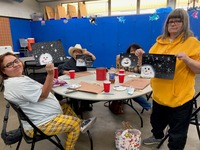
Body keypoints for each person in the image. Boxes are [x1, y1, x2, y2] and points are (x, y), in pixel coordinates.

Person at [0, 52, 97, 150]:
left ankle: (81, 124)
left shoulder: (16, 79)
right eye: (9, 65)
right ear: (3, 71)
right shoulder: (17, 84)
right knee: (75, 124)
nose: (16, 64)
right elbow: (43, 95)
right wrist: (50, 74)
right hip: (39, 124)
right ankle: (71, 144)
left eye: (16, 61)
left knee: (65, 106)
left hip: (39, 116)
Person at [135, 8, 200, 150]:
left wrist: (188, 60)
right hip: (159, 96)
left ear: (185, 23)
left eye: (178, 20)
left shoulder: (192, 42)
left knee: (177, 133)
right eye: (171, 21)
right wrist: (141, 59)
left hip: (180, 98)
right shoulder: (158, 43)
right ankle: (157, 136)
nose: (173, 23)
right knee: (156, 122)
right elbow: (147, 70)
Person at [58, 44, 97, 114]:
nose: (77, 53)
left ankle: (85, 105)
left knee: (88, 89)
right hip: (73, 82)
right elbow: (61, 70)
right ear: (72, 54)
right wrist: (66, 72)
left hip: (83, 80)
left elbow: (94, 58)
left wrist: (87, 53)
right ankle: (76, 109)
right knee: (75, 93)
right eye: (75, 52)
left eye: (79, 52)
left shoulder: (83, 59)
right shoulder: (70, 61)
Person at [116, 43, 152, 111]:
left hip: (138, 82)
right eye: (131, 51)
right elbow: (119, 71)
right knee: (118, 87)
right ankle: (119, 102)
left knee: (131, 92)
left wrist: (141, 60)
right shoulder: (126, 60)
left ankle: (149, 106)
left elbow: (144, 73)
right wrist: (118, 61)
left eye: (135, 50)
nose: (133, 52)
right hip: (126, 81)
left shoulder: (142, 59)